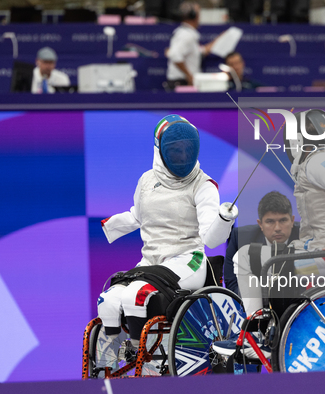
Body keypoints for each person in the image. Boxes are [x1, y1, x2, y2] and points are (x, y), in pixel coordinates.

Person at [213, 109, 325, 359]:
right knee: (269, 262)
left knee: (245, 257)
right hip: (318, 253)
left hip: (324, 259)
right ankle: (267, 332)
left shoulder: (319, 160)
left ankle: (256, 336)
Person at [96, 114, 237, 371]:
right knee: (108, 300)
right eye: (175, 149)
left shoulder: (203, 186)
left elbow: (211, 238)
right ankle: (108, 370)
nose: (182, 156)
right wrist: (112, 225)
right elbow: (138, 215)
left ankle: (147, 367)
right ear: (160, 150)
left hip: (188, 260)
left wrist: (223, 220)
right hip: (150, 262)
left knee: (137, 297)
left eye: (187, 149)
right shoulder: (146, 181)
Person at [224, 191, 299, 295]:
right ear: (260, 224)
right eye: (270, 221)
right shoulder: (241, 239)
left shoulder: (307, 236)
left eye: (283, 220)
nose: (277, 228)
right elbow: (232, 285)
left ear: (292, 221)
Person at [165, 1, 214, 90]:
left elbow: (202, 51)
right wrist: (189, 76)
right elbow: (174, 55)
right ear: (194, 15)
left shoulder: (187, 33)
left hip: (182, 82)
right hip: (181, 83)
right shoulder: (186, 35)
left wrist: (219, 39)